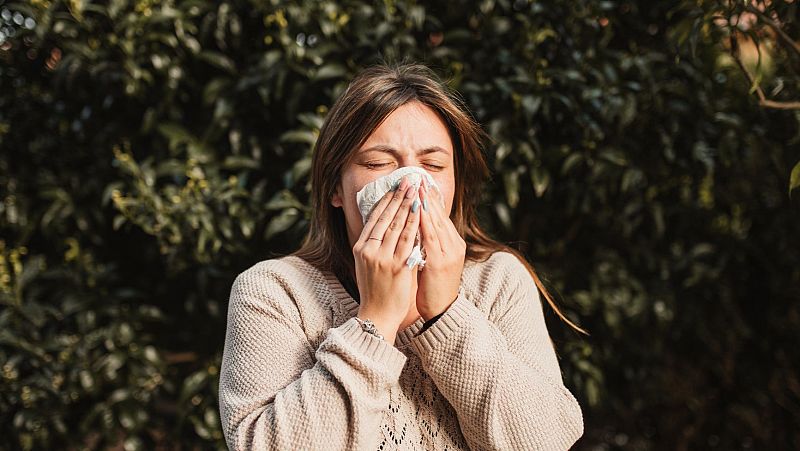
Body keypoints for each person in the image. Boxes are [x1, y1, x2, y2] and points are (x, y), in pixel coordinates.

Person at [218, 62, 586, 450]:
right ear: (335, 189)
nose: (411, 184)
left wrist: (447, 314)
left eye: (433, 165)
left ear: (455, 184)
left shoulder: (498, 280)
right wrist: (374, 322)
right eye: (378, 163)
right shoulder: (274, 292)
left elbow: (546, 440)